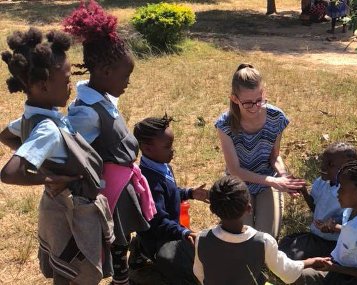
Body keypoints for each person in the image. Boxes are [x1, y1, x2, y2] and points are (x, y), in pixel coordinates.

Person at [0, 27, 114, 284]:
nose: (70, 86)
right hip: (71, 212)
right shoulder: (47, 129)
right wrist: (49, 178)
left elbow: (5, 136)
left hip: (61, 209)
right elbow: (9, 173)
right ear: (42, 86)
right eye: (65, 81)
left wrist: (43, 162)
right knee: (76, 267)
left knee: (65, 265)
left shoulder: (31, 117)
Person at [63, 1, 156, 284]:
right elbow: (72, 147)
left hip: (124, 180)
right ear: (104, 71)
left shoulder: (101, 97)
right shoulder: (87, 111)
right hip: (111, 187)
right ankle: (121, 277)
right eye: (124, 76)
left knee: (128, 229)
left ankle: (133, 262)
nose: (127, 83)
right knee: (117, 236)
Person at [215, 63, 305, 238]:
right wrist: (273, 181)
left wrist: (283, 176)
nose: (255, 107)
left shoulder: (276, 117)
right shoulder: (224, 124)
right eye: (248, 103)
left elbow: (274, 156)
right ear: (234, 99)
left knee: (265, 239)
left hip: (267, 183)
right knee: (242, 237)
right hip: (239, 183)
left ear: (264, 93)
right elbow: (235, 170)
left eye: (259, 100)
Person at [193, 175, 326, 285]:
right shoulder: (263, 241)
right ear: (249, 208)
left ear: (212, 210)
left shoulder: (202, 238)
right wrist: (310, 262)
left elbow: (199, 275)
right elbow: (287, 272)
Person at [131, 114, 209, 284]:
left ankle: (140, 247)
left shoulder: (163, 167)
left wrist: (189, 193)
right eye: (167, 146)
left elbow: (170, 194)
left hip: (167, 229)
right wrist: (183, 232)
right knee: (179, 265)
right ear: (147, 148)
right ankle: (146, 252)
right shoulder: (148, 180)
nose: (172, 150)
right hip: (158, 236)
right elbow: (158, 221)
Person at [279, 142, 357, 259]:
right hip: (316, 235)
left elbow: (352, 225)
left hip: (333, 242)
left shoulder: (349, 194)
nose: (323, 167)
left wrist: (333, 226)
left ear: (347, 169)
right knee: (285, 243)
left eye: (330, 164)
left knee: (291, 255)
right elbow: (315, 208)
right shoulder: (321, 182)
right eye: (323, 162)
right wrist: (304, 191)